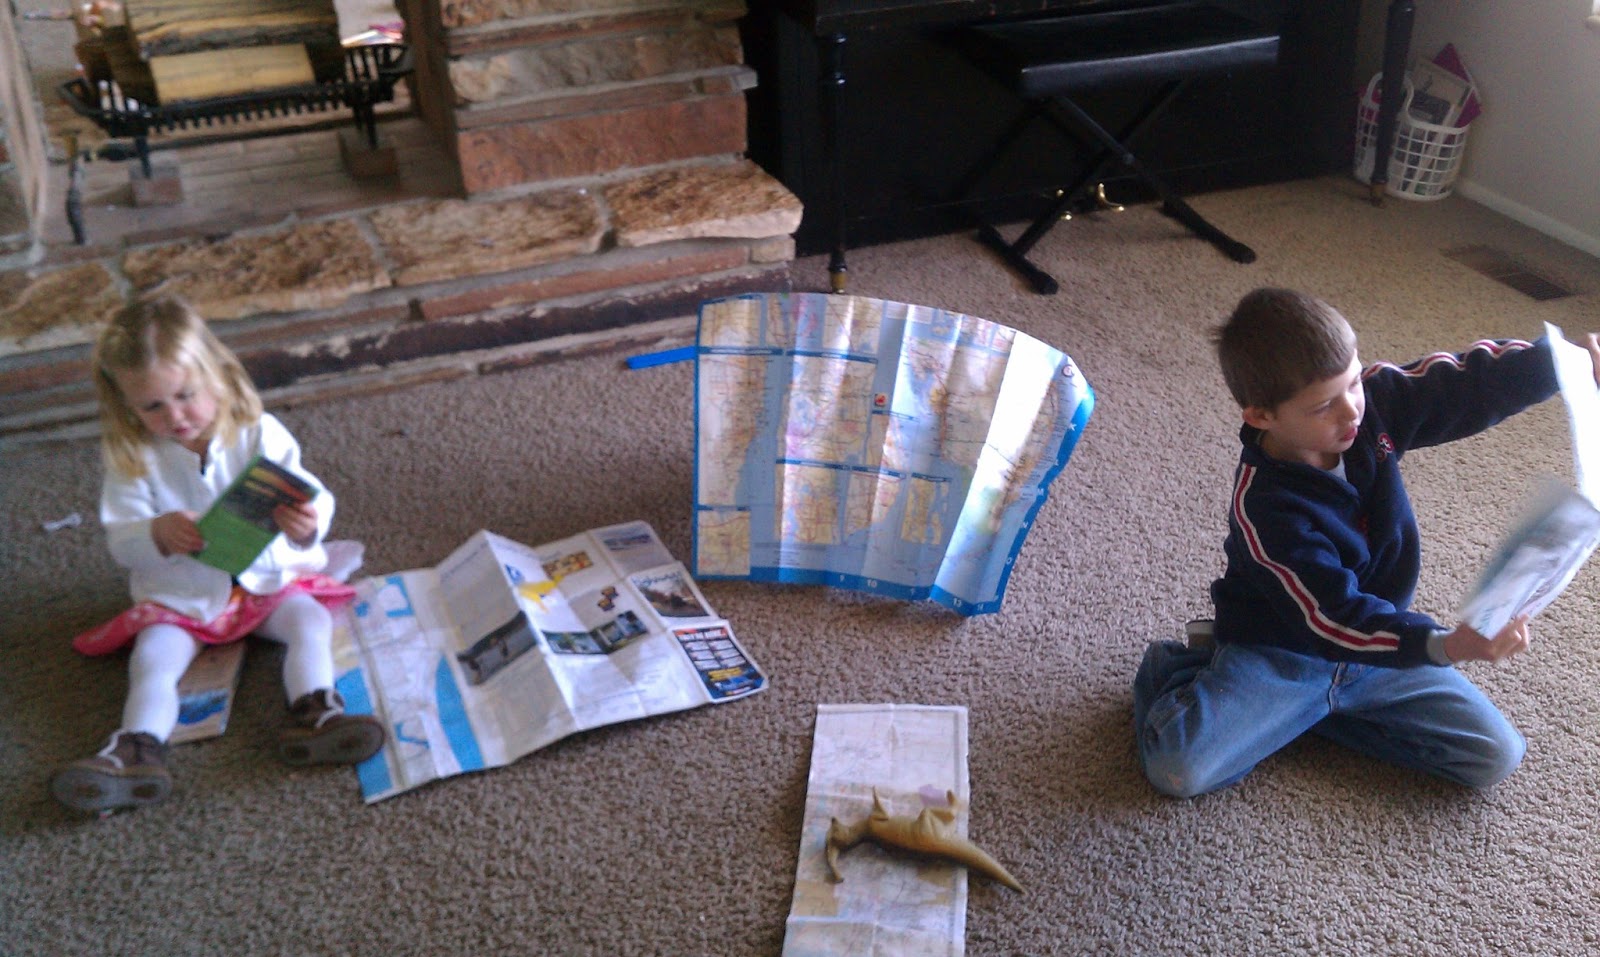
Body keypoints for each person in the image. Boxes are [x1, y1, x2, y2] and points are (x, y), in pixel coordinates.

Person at [1133, 287, 1600, 798]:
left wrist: (1562, 362)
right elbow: (1332, 617)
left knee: (1492, 755)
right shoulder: (1265, 509)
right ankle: (1182, 669)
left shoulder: (1372, 407)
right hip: (1284, 651)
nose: (1351, 411)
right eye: (1323, 406)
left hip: (1379, 643)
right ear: (1261, 416)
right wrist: (1445, 645)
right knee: (1179, 768)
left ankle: (1296, 718)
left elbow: (1465, 387)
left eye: (1354, 382)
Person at [51, 295, 385, 815]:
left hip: (266, 586)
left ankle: (317, 711)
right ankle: (135, 748)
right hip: (183, 599)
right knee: (154, 658)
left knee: (310, 622)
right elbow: (122, 542)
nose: (175, 416)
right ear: (127, 407)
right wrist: (156, 533)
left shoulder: (258, 432)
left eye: (186, 396)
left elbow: (312, 495)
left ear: (217, 378)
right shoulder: (134, 459)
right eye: (152, 407)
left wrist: (308, 524)